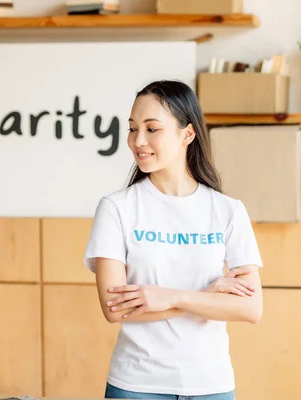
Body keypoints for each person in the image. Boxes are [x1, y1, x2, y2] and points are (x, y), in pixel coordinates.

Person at [83, 80, 264, 400]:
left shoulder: (227, 211)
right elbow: (114, 309)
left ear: (187, 134)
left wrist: (170, 298)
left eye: (152, 128)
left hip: (212, 385)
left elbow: (250, 307)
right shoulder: (116, 209)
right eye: (132, 128)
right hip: (137, 385)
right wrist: (205, 296)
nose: (138, 140)